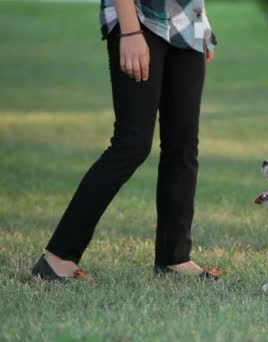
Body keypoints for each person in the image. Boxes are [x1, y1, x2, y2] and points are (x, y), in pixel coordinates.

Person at [31, 0, 223, 280]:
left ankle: (174, 257)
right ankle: (58, 256)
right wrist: (130, 32)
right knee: (131, 144)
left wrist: (201, 22)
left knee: (182, 146)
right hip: (138, 18)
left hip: (187, 24)